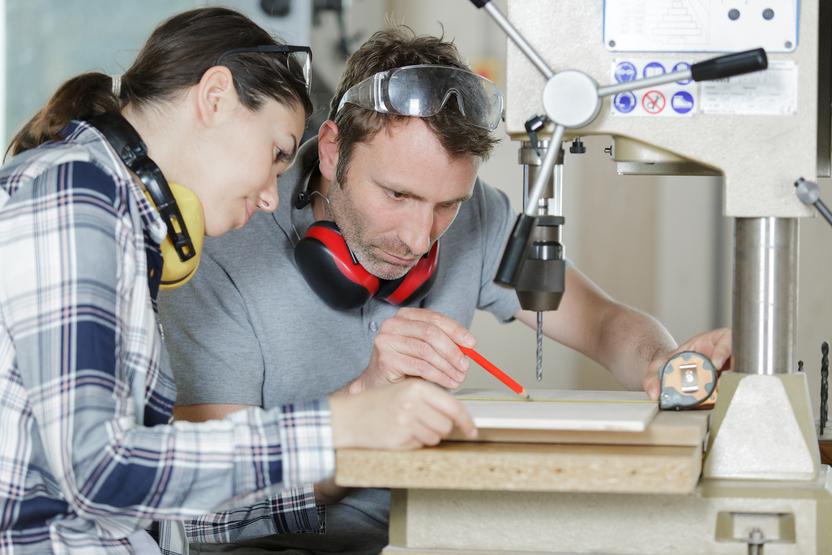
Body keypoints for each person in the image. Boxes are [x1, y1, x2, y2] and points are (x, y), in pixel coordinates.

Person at [158, 27, 732, 554]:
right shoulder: (223, 243)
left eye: (446, 206)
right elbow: (214, 507)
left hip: (440, 529)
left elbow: (604, 324)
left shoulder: (479, 215)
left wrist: (662, 362)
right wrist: (365, 400)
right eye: (398, 195)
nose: (417, 237)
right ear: (333, 151)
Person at [0, 10, 477, 555]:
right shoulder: (76, 193)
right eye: (277, 154)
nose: (274, 196)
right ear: (216, 97)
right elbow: (100, 478)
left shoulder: (107, 210)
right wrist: (331, 426)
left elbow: (153, 504)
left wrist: (348, 434)